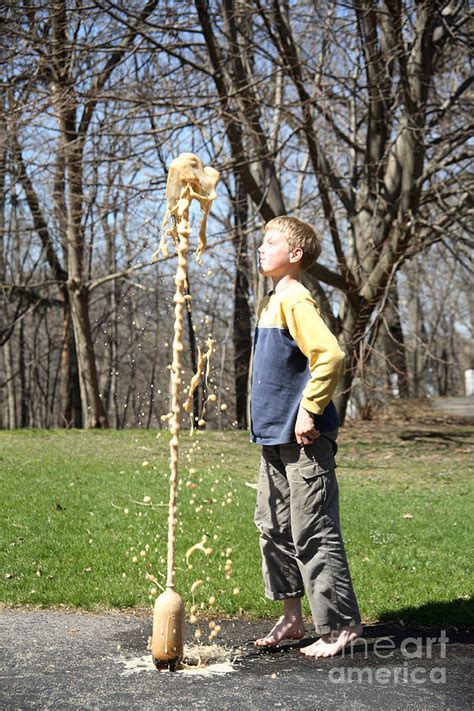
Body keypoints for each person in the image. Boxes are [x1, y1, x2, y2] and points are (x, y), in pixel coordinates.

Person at [251, 215, 362, 658]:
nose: (262, 248)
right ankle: (293, 617)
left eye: (271, 241)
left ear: (294, 255)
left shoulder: (295, 298)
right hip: (273, 438)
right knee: (273, 527)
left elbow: (330, 356)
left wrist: (309, 410)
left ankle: (340, 626)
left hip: (303, 439)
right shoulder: (273, 300)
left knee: (313, 528)